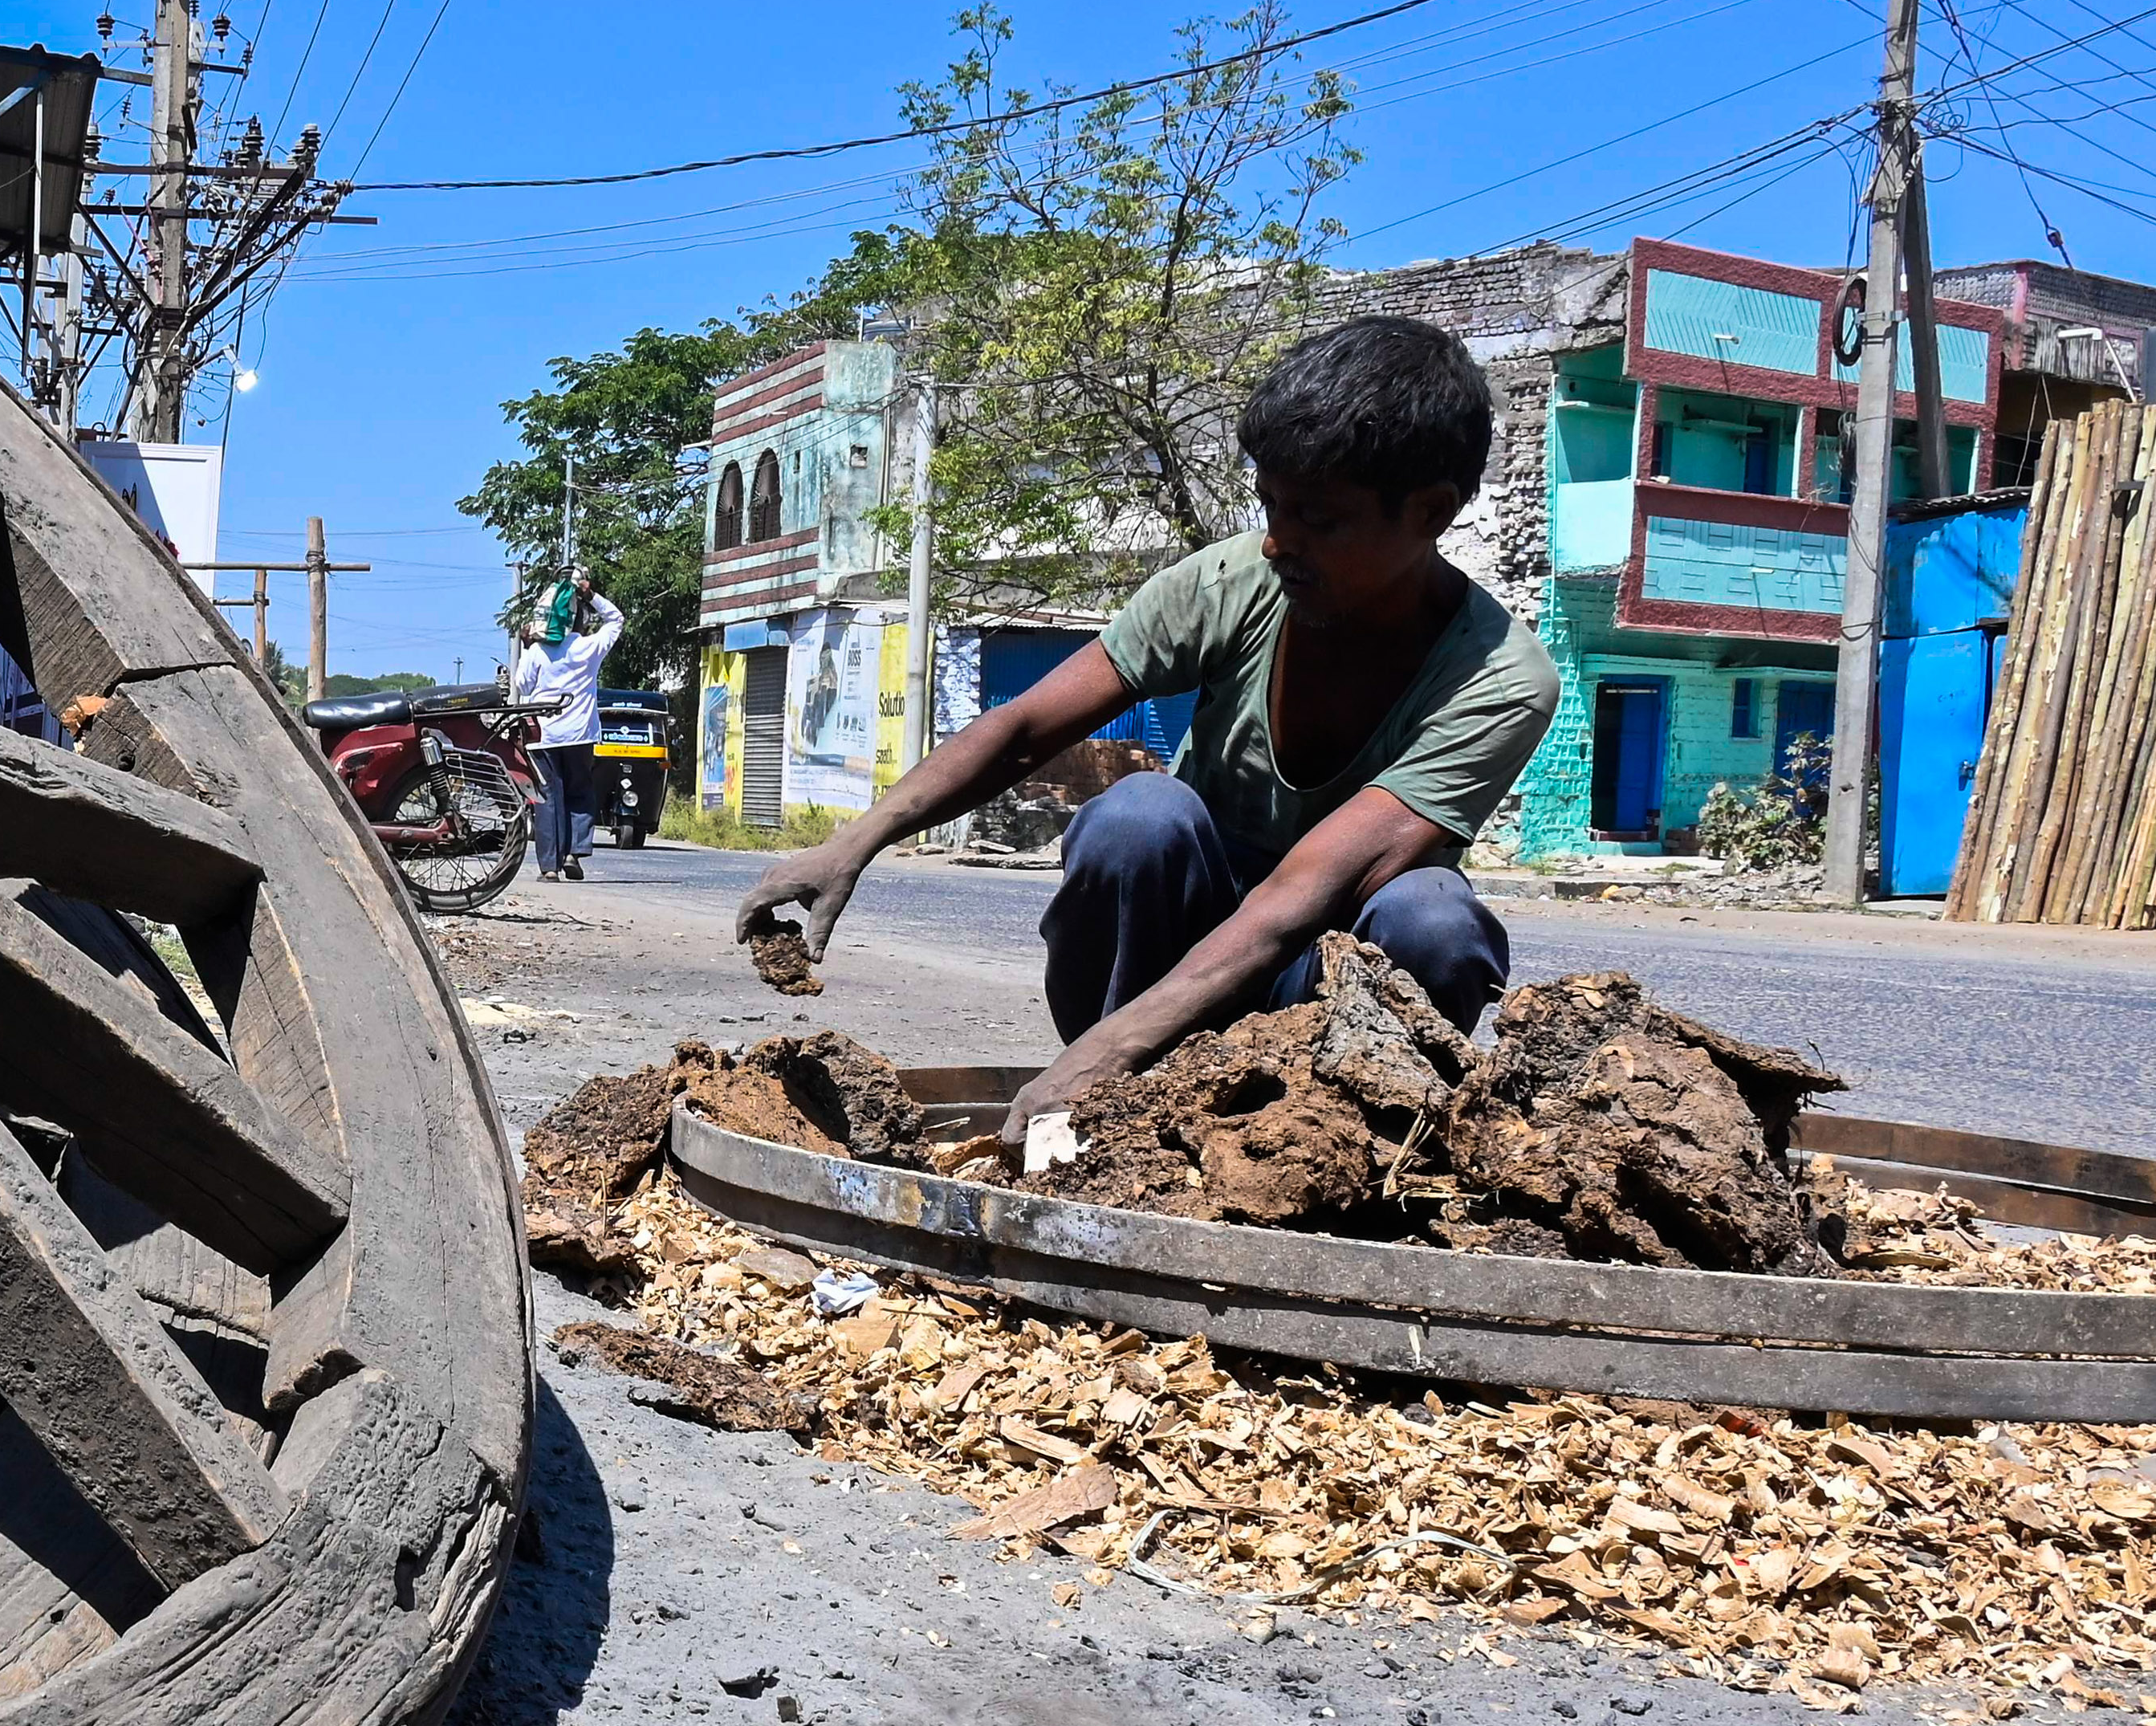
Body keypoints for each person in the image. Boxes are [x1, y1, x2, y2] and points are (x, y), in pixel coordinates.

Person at [734, 316, 1559, 1142]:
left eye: (1317, 516)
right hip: (1168, 955)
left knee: (1433, 919)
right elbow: (1023, 727)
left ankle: (1346, 1142)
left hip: (1322, 987)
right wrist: (853, 842)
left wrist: (1111, 1047)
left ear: (1430, 512)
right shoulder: (1231, 583)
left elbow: (1303, 896)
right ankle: (1120, 1119)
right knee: (1137, 817)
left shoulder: (1497, 679)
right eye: (1270, 503)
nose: (1278, 540)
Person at [502, 572, 626, 880]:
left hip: (544, 735)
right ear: (579, 620)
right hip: (580, 734)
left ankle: (549, 868)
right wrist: (590, 594)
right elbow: (616, 620)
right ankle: (574, 853)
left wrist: (527, 646)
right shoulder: (588, 647)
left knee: (548, 797)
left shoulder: (537, 651)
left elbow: (523, 684)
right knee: (580, 791)